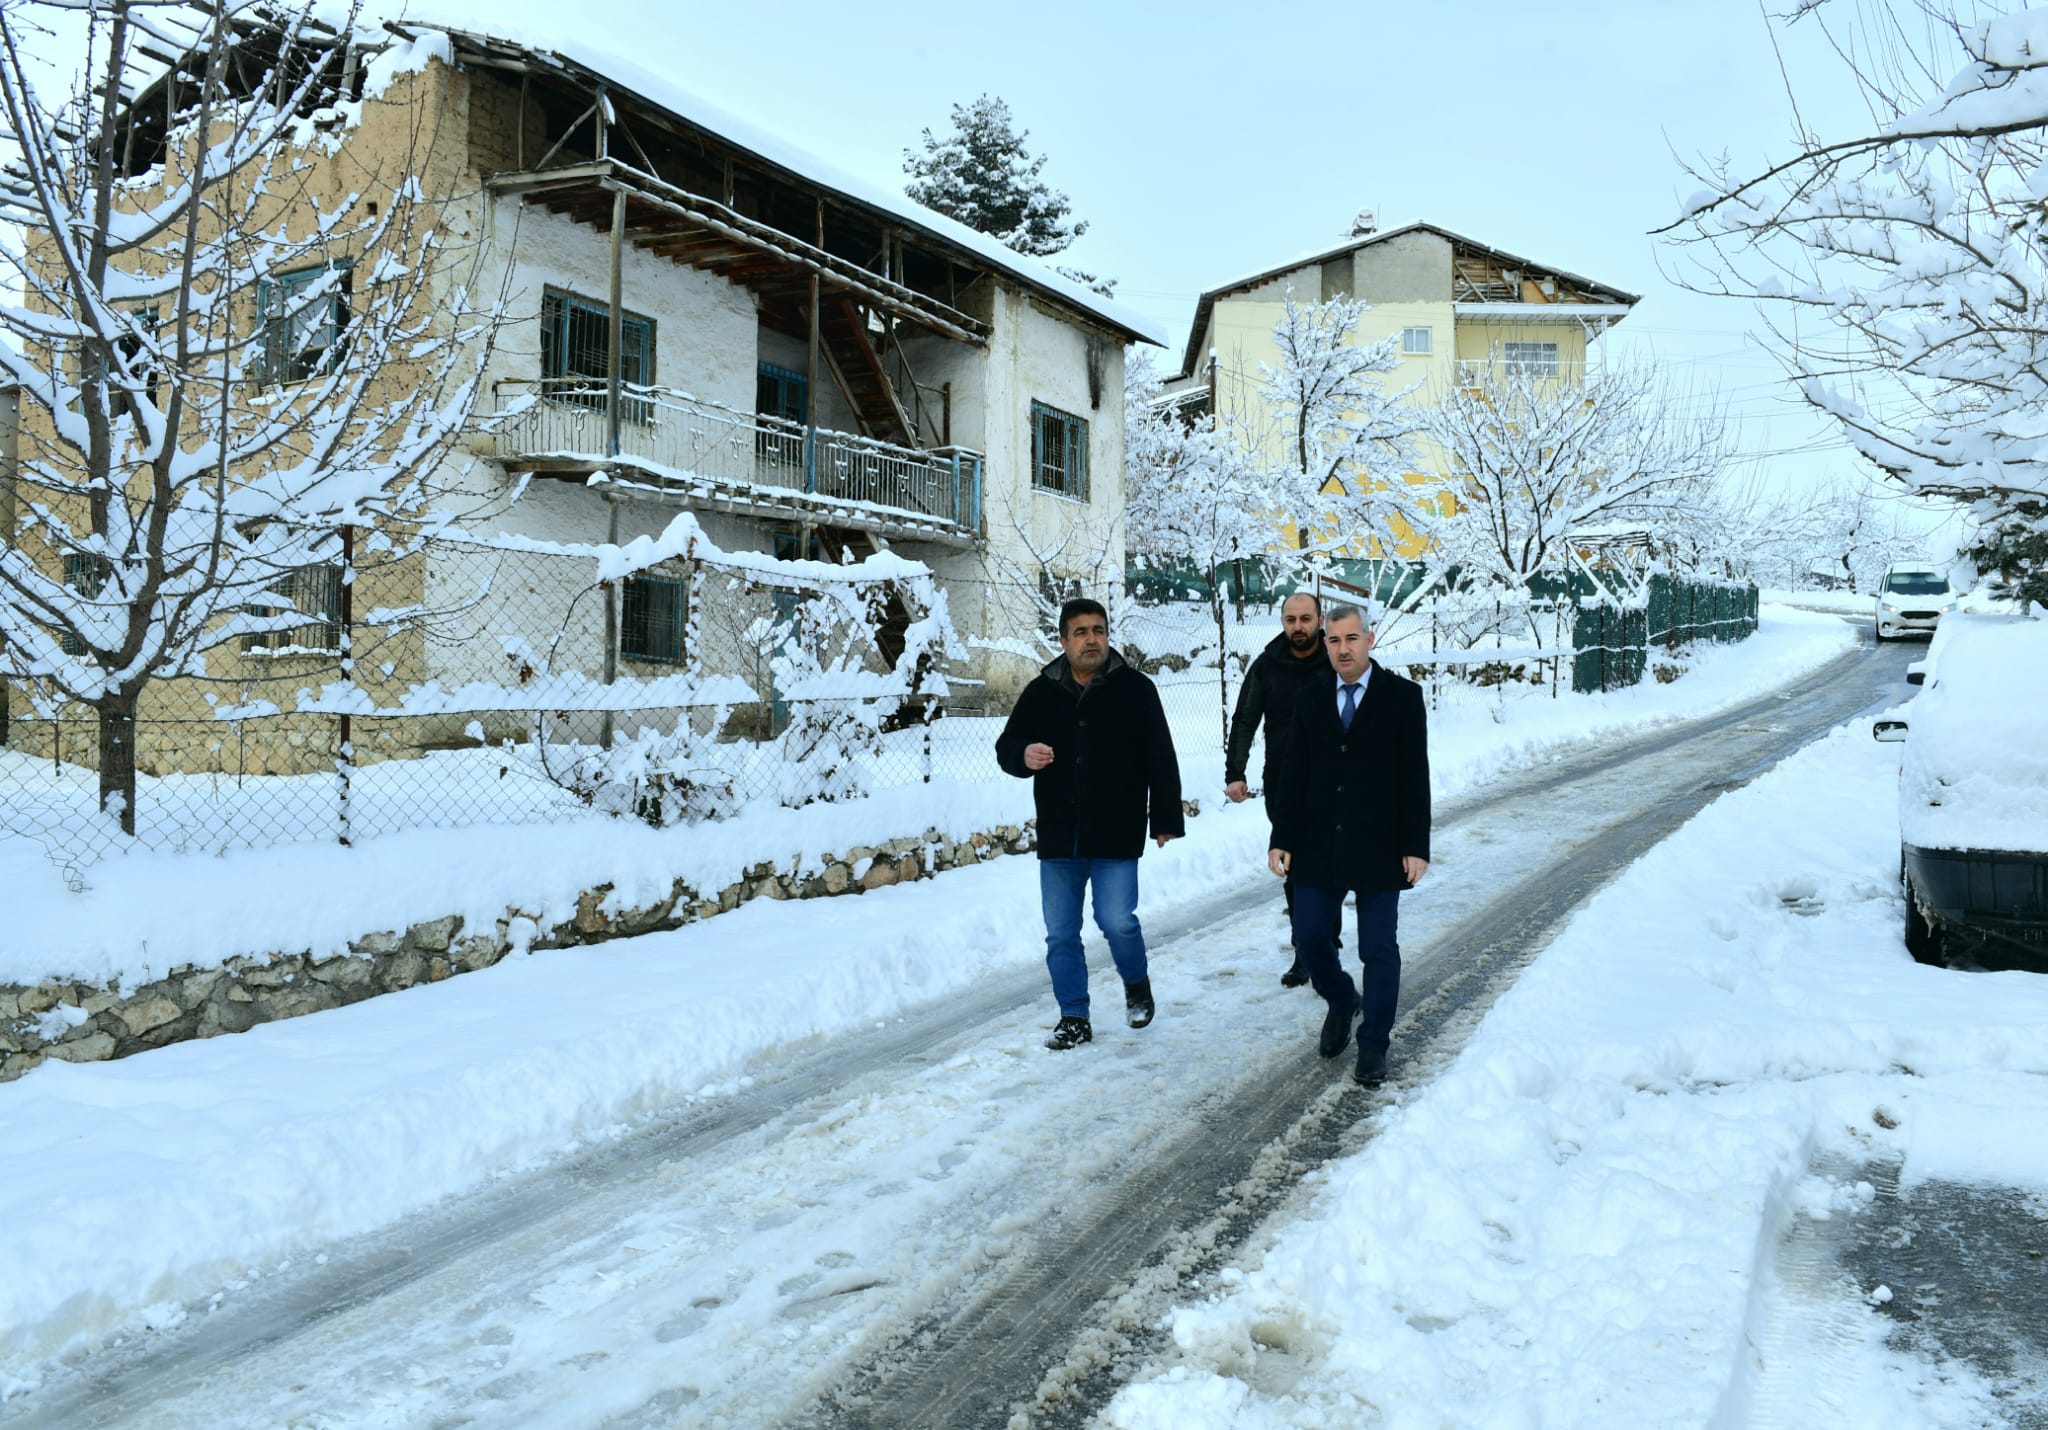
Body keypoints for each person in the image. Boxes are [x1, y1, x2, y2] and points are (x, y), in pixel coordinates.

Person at [996, 597, 1184, 1050]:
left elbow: (1160, 756)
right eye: (1080, 632)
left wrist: (1165, 817)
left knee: (1116, 920)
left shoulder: (1135, 689)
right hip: (1060, 833)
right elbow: (1008, 745)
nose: (1091, 639)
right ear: (1063, 641)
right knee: (1061, 932)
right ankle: (1074, 1016)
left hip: (1116, 830)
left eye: (1098, 630)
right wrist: (1024, 755)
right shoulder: (1043, 691)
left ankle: (1136, 984)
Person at [1266, 602, 1430, 1087]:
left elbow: (1413, 777)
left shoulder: (1402, 697)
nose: (1342, 649)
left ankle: (1373, 1045)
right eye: (1333, 640)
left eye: (1351, 639)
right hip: (1318, 844)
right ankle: (1341, 1000)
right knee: (1311, 937)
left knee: (1378, 948)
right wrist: (1283, 838)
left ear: (1369, 640)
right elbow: (1294, 771)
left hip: (1381, 844)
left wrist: (1415, 845)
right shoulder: (1313, 695)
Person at [1224, 590, 1337, 988]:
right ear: (1282, 622)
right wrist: (1235, 771)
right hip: (1283, 783)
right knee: (1295, 864)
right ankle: (1305, 950)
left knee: (1331, 861)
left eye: (1306, 619)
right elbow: (1244, 720)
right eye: (1291, 619)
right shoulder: (1267, 667)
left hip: (1334, 781)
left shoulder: (1336, 662)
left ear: (1320, 620)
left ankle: (1326, 937)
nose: (1299, 627)